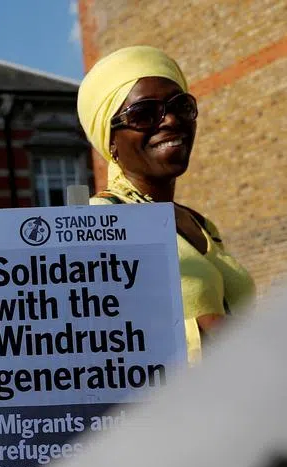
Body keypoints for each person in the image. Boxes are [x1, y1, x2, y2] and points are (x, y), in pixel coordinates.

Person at [77, 46, 257, 365]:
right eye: (144, 114)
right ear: (110, 140)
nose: (171, 120)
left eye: (180, 106)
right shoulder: (100, 221)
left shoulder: (199, 223)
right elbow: (90, 342)